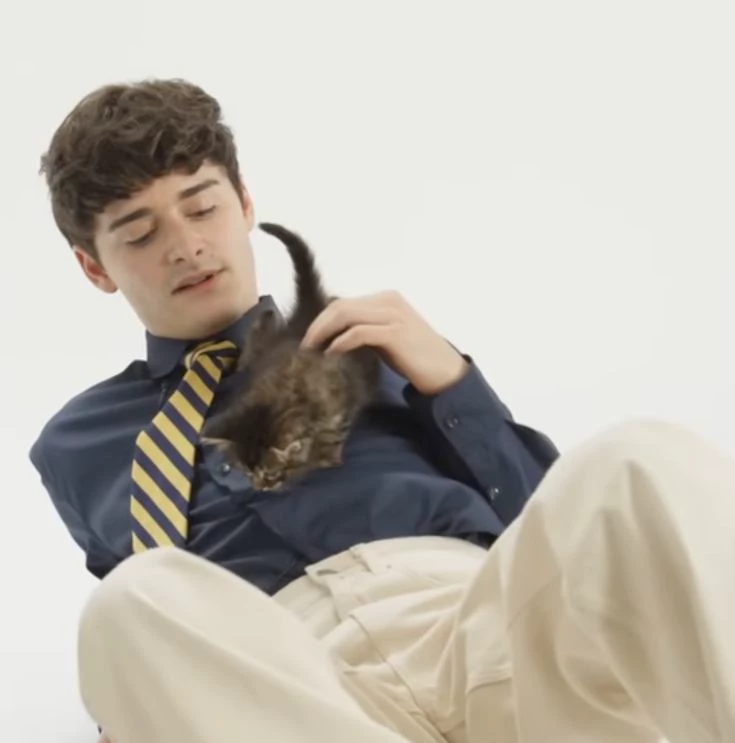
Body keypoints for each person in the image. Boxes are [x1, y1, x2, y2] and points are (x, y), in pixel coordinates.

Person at [29, 78, 735, 743]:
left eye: (202, 207)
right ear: (94, 266)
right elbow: (152, 647)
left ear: (244, 204)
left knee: (641, 457)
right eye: (140, 234)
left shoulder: (364, 338)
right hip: (295, 693)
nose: (186, 247)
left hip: (481, 630)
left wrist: (451, 382)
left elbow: (548, 526)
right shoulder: (75, 447)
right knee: (130, 598)